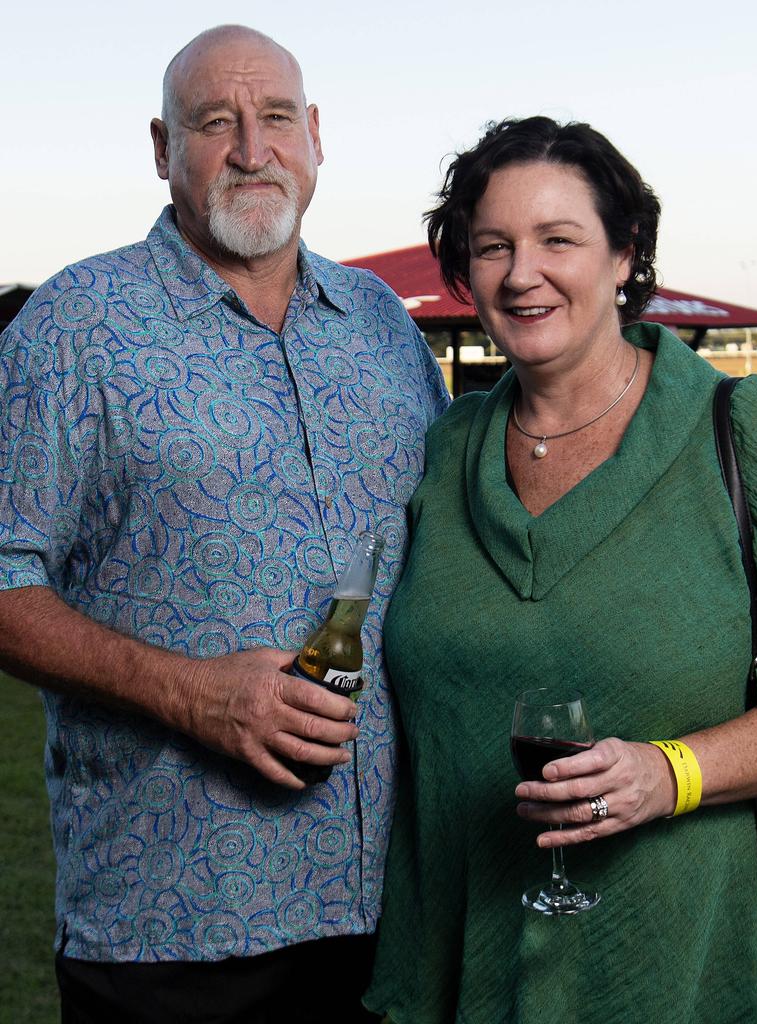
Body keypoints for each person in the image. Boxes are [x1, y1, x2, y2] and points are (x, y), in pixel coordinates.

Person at [0, 24, 448, 1024]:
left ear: (316, 135)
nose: (252, 148)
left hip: (396, 917)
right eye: (215, 122)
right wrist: (190, 692)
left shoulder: (383, 326)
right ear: (162, 149)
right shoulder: (76, 328)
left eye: (276, 117)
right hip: (179, 928)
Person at [364, 115, 757, 1024]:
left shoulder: (740, 433)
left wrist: (676, 772)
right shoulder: (444, 449)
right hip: (458, 971)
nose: (521, 273)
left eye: (559, 239)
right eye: (495, 245)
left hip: (671, 973)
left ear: (626, 255)